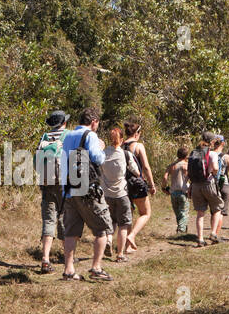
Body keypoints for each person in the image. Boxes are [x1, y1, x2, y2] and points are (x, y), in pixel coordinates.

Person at [61, 109, 113, 282]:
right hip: (88, 189)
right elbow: (98, 159)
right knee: (102, 229)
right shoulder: (90, 135)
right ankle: (96, 268)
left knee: (71, 231)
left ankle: (69, 270)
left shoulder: (67, 136)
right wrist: (102, 147)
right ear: (94, 121)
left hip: (70, 188)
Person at [34, 111, 69, 273]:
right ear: (64, 123)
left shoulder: (44, 138)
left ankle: (45, 259)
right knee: (65, 217)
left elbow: (36, 162)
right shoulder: (68, 135)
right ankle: (67, 255)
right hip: (64, 182)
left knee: (49, 220)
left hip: (47, 182)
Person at [122, 121, 157, 254]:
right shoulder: (138, 146)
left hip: (124, 184)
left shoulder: (120, 145)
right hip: (137, 183)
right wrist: (151, 184)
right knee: (146, 213)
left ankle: (127, 246)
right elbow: (146, 167)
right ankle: (132, 236)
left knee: (129, 215)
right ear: (137, 134)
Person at [100, 127, 133, 262]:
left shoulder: (102, 154)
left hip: (106, 194)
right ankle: (120, 254)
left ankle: (108, 240)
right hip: (121, 193)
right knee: (123, 224)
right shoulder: (125, 154)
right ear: (122, 139)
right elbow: (136, 171)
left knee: (111, 221)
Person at [190, 132, 227, 246]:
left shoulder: (194, 152)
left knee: (200, 213)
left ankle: (200, 239)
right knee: (217, 207)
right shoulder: (212, 154)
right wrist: (213, 173)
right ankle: (213, 233)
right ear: (212, 142)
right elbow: (215, 168)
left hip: (196, 184)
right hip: (208, 183)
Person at [165, 147, 191, 236]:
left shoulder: (171, 166)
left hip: (173, 192)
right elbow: (191, 178)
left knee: (178, 213)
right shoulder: (187, 166)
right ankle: (181, 231)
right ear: (186, 156)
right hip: (183, 191)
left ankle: (182, 229)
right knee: (183, 212)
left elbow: (165, 178)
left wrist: (164, 188)